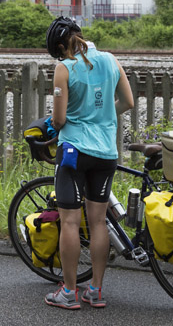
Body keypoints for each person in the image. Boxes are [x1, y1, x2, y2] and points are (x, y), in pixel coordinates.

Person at [44, 16, 134, 310]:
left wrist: (61, 126)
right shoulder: (109, 60)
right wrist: (103, 115)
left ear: (60, 46)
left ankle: (69, 292)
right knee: (98, 222)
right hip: (106, 152)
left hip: (74, 153)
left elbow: (58, 120)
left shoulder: (64, 68)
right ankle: (95, 290)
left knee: (70, 220)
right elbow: (128, 102)